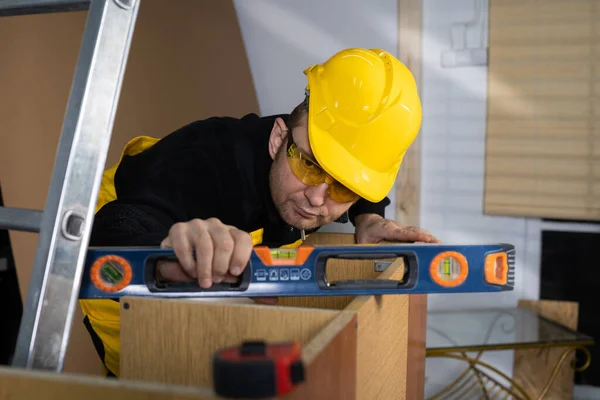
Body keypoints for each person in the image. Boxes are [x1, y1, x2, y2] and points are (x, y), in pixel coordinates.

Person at [79, 47, 440, 377]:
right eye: (309, 166)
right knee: (154, 366)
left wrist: (370, 217)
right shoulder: (207, 165)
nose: (317, 199)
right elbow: (109, 234)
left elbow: (356, 175)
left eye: (343, 187)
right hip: (129, 240)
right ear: (277, 137)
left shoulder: (315, 145)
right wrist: (167, 254)